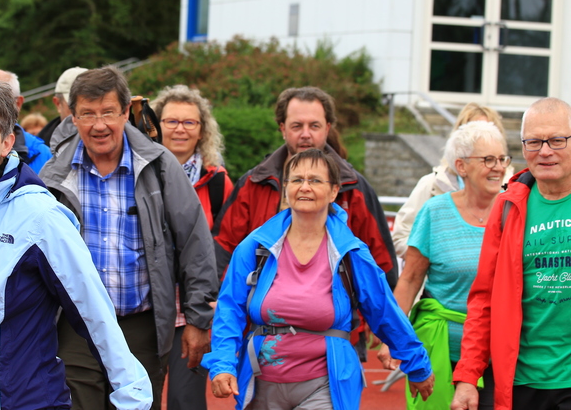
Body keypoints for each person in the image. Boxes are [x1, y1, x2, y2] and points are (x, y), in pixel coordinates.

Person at [0, 74, 152, 410]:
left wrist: (132, 398)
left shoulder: (40, 217)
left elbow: (94, 313)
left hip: (26, 402)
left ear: (6, 142)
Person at [40, 67, 218, 410]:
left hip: (141, 325)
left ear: (125, 112)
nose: (99, 125)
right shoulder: (55, 173)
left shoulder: (160, 166)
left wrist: (197, 320)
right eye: (88, 114)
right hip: (76, 324)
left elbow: (194, 243)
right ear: (73, 118)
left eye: (108, 112)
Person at [203, 148, 434, 410]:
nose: (305, 187)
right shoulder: (255, 246)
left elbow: (384, 311)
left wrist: (417, 363)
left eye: (315, 180)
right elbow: (230, 308)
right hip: (262, 382)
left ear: (334, 191)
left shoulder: (351, 253)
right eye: (297, 180)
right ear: (286, 188)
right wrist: (223, 364)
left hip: (326, 383)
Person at [378, 121, 508, 409]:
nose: (498, 167)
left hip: (498, 354)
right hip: (441, 350)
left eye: (502, 159)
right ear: (461, 166)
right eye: (488, 159)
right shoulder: (434, 212)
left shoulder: (514, 211)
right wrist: (391, 336)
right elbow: (410, 279)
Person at [452, 98, 571, 410]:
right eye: (534, 142)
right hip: (519, 382)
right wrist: (468, 376)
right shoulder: (507, 208)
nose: (545, 151)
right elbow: (483, 299)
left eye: (557, 140)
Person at [213, 87, 397, 287]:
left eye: (314, 126)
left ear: (327, 128)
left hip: (335, 304)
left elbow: (382, 263)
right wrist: (222, 299)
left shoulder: (354, 188)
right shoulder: (254, 184)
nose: (306, 134)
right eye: (297, 126)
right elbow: (223, 248)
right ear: (283, 129)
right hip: (261, 303)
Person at [151, 84, 235, 410]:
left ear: (202, 130)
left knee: (185, 400)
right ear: (156, 126)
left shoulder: (218, 182)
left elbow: (226, 246)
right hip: (146, 305)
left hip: (192, 309)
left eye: (189, 122)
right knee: (139, 397)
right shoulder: (140, 173)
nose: (180, 129)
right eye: (171, 121)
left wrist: (209, 309)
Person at [391, 103, 511, 256]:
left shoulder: (513, 187)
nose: (483, 136)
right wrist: (441, 258)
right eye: (473, 131)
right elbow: (401, 236)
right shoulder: (433, 184)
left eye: (489, 130)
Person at [38, 66, 88, 145]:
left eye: (90, 107)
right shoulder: (39, 148)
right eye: (73, 106)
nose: (82, 113)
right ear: (58, 104)